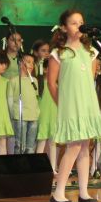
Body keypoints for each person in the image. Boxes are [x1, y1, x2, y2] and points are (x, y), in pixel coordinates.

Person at [48, 9, 101, 202]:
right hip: (71, 106)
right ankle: (58, 192)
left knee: (84, 147)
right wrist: (62, 104)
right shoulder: (59, 53)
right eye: (74, 23)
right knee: (73, 146)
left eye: (81, 22)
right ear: (64, 28)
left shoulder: (91, 52)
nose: (79, 26)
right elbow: (51, 83)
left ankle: (84, 192)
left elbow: (89, 80)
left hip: (87, 105)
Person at [33, 40, 58, 171]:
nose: (46, 53)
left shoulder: (55, 84)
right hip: (42, 113)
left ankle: (52, 168)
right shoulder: (39, 81)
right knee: (41, 141)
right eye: (43, 50)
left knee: (52, 142)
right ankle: (37, 167)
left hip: (53, 113)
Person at [8, 53, 40, 154]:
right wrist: (13, 116)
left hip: (33, 116)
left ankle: (29, 164)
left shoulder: (34, 81)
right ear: (21, 63)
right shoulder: (13, 81)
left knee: (31, 146)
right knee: (20, 145)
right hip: (20, 117)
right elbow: (10, 101)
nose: (31, 65)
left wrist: (37, 112)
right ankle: (18, 163)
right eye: (28, 62)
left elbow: (36, 98)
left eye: (33, 63)